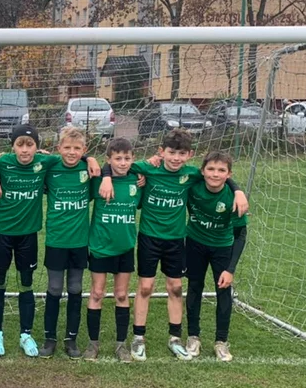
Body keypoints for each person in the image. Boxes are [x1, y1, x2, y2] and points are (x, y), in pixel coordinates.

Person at [96, 128, 248, 361]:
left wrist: (237, 191)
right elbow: (115, 164)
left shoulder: (192, 174)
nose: (176, 158)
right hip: (149, 237)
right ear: (161, 151)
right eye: (171, 152)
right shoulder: (148, 168)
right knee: (145, 287)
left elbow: (219, 175)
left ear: (190, 155)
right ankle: (138, 338)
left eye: (181, 153)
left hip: (176, 240)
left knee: (175, 287)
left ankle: (175, 338)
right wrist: (106, 177)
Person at [0, 124, 60, 357]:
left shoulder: (44, 162)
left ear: (37, 147)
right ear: (13, 146)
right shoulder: (2, 162)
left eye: (30, 145)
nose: (25, 149)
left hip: (28, 234)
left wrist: (91, 160)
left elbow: (72, 156)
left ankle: (25, 334)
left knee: (26, 283)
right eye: (20, 144)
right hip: (2, 233)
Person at [183, 151, 248, 362]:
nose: (215, 174)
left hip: (222, 247)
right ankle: (193, 336)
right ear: (202, 171)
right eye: (210, 169)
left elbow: (240, 235)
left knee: (223, 291)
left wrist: (230, 269)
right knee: (194, 286)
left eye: (221, 170)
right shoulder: (193, 186)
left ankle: (221, 341)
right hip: (194, 243)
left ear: (229, 175)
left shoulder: (233, 198)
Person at [86, 137, 141, 362]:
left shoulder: (138, 181)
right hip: (100, 245)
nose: (123, 163)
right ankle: (93, 344)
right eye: (118, 158)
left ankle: (121, 345)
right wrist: (104, 174)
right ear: (109, 160)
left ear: (133, 159)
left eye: (127, 158)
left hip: (125, 246)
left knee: (121, 294)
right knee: (97, 293)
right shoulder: (99, 180)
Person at [40, 126, 91, 359]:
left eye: (77, 148)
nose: (72, 152)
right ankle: (49, 338)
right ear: (59, 148)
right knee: (54, 287)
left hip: (79, 241)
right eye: (67, 147)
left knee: (75, 288)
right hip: (56, 239)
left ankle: (71, 339)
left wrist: (92, 161)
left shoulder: (89, 170)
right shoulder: (50, 168)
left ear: (84, 150)